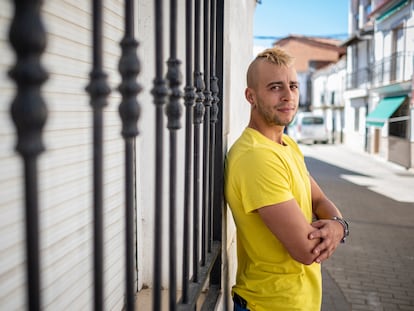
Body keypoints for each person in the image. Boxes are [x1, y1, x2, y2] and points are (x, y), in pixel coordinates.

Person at [224, 46, 349, 311]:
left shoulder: (287, 145)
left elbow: (319, 199)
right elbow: (307, 250)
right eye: (275, 87)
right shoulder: (255, 157)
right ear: (251, 96)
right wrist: (336, 227)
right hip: (269, 304)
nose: (288, 96)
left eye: (293, 86)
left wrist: (338, 226)